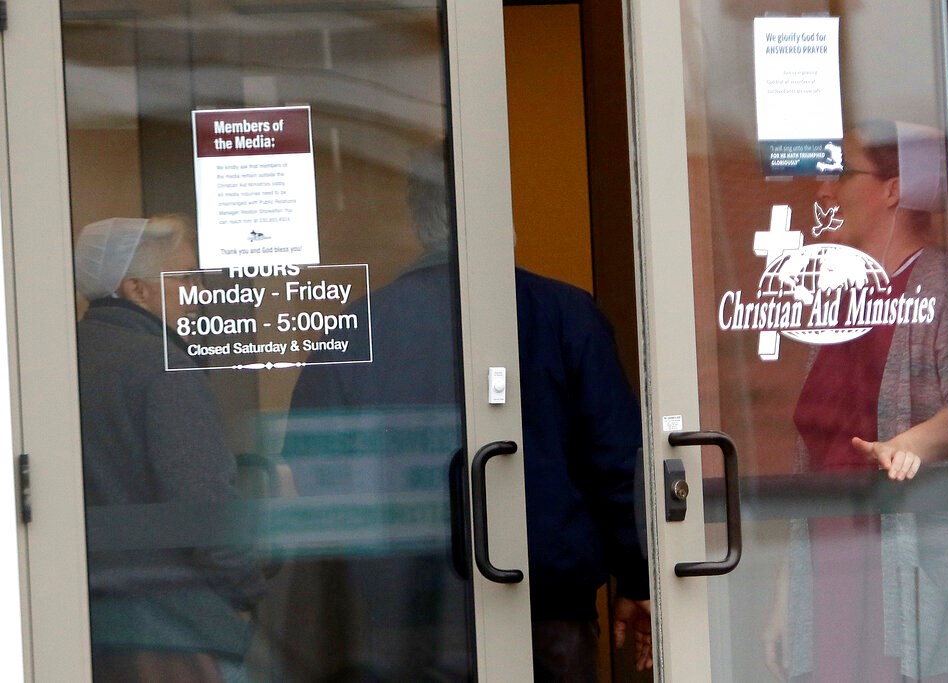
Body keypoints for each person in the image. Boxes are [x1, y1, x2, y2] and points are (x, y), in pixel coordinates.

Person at [285, 143, 651, 681]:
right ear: (501, 214)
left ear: (418, 220)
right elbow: (618, 462)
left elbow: (314, 471)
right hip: (546, 612)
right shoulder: (567, 315)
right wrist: (637, 578)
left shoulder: (362, 325)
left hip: (401, 621)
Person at [761, 121, 948, 682]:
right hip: (830, 568)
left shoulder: (940, 288)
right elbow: (814, 456)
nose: (824, 190)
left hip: (897, 567)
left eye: (842, 173)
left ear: (893, 189)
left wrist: (906, 446)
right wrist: (787, 595)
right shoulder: (847, 298)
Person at [74, 215, 266, 682]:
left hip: (96, 621)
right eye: (184, 278)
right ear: (137, 290)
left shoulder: (69, 353)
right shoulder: (162, 367)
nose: (198, 293)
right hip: (174, 626)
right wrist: (248, 594)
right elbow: (204, 511)